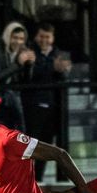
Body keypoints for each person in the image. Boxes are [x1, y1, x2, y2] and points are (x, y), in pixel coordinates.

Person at [20, 22, 72, 182]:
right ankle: (27, 180)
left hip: (54, 108)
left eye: (47, 37)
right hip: (33, 107)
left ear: (52, 38)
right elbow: (28, 75)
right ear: (36, 36)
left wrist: (63, 69)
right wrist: (51, 67)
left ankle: (39, 180)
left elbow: (65, 75)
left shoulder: (60, 54)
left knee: (47, 145)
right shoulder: (29, 52)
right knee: (31, 145)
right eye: (41, 36)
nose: (44, 40)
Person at [0, 21, 36, 85]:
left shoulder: (22, 50)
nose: (18, 42)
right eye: (15, 37)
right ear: (7, 36)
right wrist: (17, 64)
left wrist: (29, 64)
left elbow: (26, 81)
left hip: (16, 92)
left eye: (21, 39)